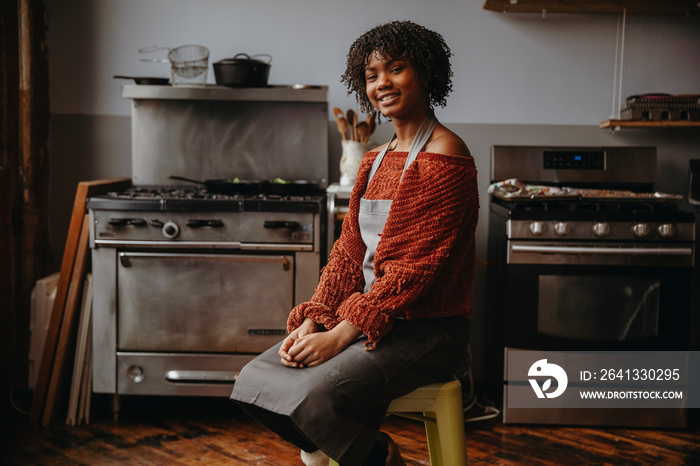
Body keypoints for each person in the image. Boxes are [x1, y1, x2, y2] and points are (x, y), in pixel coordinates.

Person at [231, 20, 479, 466]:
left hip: (427, 329)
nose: (382, 83)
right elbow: (348, 254)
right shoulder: (373, 160)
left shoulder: (446, 157)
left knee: (313, 398)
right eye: (371, 74)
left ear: (425, 72)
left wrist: (341, 336)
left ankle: (376, 458)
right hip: (370, 316)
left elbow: (412, 271)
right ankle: (374, 454)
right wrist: (318, 318)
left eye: (396, 68)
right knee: (256, 383)